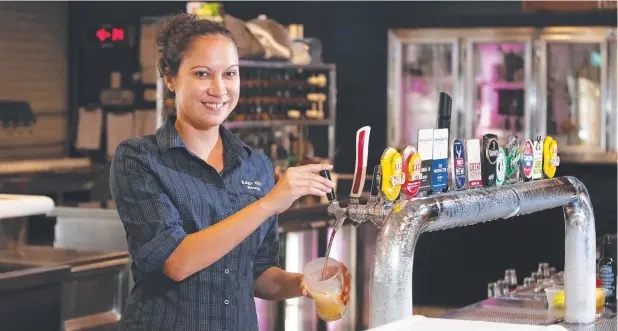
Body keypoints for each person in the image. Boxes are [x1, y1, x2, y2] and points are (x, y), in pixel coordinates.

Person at [109, 13, 350, 331]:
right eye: (202, 74)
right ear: (170, 78)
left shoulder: (255, 165)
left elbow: (259, 275)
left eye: (230, 74)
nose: (219, 88)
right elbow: (176, 262)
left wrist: (302, 283)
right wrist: (268, 204)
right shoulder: (140, 159)